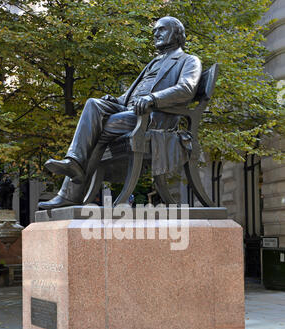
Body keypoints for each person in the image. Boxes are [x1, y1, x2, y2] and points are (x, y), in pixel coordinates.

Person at [38, 16, 202, 210]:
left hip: (153, 117)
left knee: (98, 131)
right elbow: (128, 96)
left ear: (176, 32)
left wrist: (153, 99)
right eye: (154, 31)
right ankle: (72, 161)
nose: (156, 33)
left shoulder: (188, 60)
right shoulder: (153, 63)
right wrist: (114, 101)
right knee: (93, 104)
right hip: (130, 111)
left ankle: (70, 192)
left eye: (161, 29)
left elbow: (186, 89)